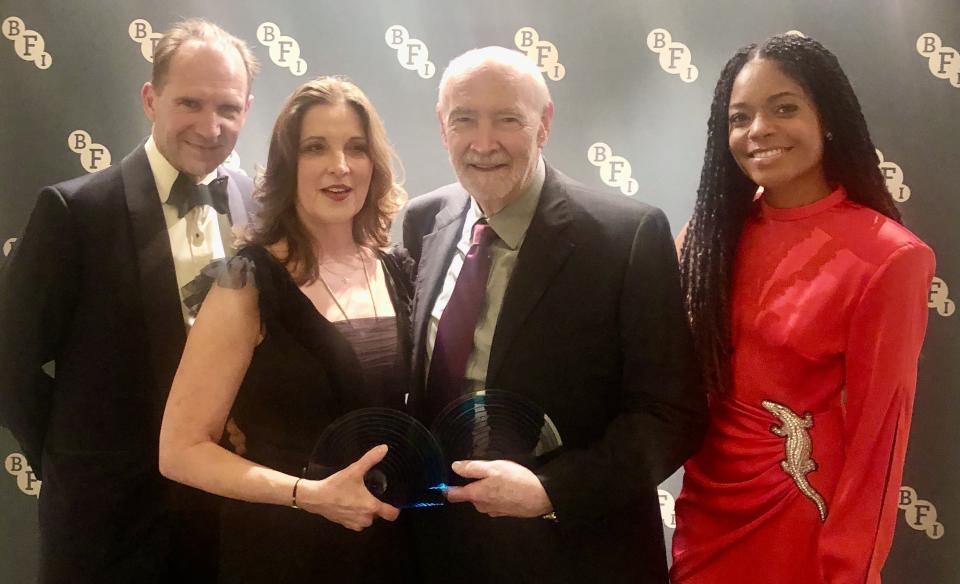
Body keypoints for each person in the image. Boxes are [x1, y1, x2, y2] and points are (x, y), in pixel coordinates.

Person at [401, 46, 706, 583]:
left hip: (572, 553)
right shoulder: (423, 219)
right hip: (440, 545)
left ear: (544, 124)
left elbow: (670, 416)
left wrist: (549, 492)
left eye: (508, 120)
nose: (484, 142)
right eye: (464, 119)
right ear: (441, 126)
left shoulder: (626, 236)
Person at [671, 34, 936, 583]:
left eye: (784, 108)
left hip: (800, 514)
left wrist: (850, 567)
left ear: (829, 118)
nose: (758, 130)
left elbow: (879, 440)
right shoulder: (706, 240)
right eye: (739, 117)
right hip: (704, 508)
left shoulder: (888, 256)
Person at [0, 18, 257, 582]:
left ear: (247, 109)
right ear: (150, 98)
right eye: (190, 103)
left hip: (229, 519)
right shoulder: (74, 213)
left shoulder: (256, 207)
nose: (210, 126)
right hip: (108, 528)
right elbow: (10, 362)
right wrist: (77, 464)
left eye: (228, 108)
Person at [158, 76, 414, 582]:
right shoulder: (248, 283)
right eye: (315, 148)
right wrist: (309, 496)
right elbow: (181, 451)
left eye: (356, 148)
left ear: (374, 165)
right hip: (285, 549)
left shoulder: (397, 269)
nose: (339, 166)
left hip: (390, 548)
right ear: (287, 166)